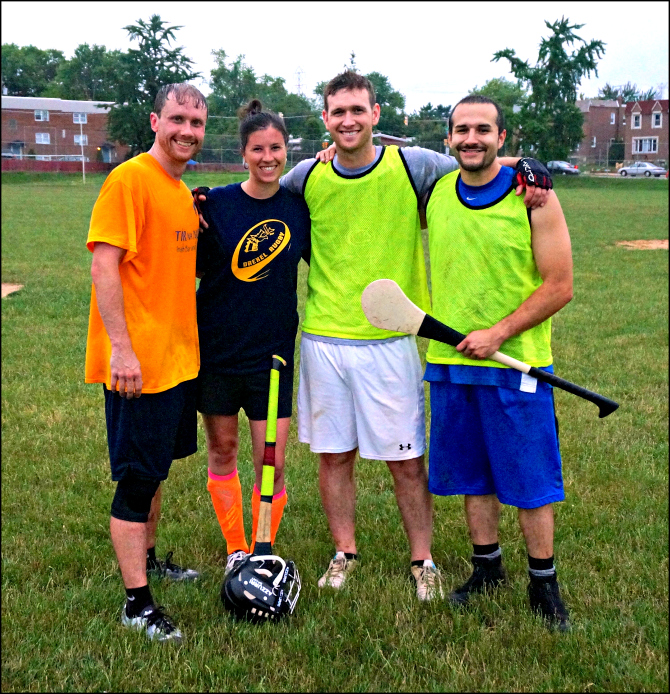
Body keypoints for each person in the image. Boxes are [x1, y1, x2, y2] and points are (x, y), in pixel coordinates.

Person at [279, 70, 553, 601]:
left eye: (358, 110)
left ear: (375, 115)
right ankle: (344, 552)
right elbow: (260, 189)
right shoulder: (304, 177)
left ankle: (422, 559)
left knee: (407, 461)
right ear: (325, 120)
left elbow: (480, 163)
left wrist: (530, 169)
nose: (348, 120)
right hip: (322, 339)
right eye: (338, 112)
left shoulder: (414, 165)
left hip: (390, 340)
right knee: (334, 456)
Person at [423, 95, 573, 630]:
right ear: (448, 139)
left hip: (517, 365)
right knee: (472, 476)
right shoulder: (438, 192)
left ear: (502, 138)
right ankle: (486, 568)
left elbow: (560, 286)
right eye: (461, 129)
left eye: (483, 129)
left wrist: (500, 334)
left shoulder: (533, 197)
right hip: (451, 361)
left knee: (530, 482)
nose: (471, 138)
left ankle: (544, 584)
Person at [85, 83, 208, 643]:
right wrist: (122, 349)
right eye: (178, 119)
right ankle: (136, 604)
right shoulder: (129, 178)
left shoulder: (179, 190)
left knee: (156, 470)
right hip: (138, 365)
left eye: (196, 123)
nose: (187, 130)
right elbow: (104, 266)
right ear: (156, 121)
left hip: (178, 361)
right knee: (137, 480)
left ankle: (151, 558)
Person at [194, 100, 313, 575]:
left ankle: (263, 546)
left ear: (287, 151)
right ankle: (236, 549)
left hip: (273, 359)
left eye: (277, 148)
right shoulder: (214, 204)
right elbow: (192, 265)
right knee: (223, 452)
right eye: (258, 148)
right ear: (243, 153)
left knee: (274, 464)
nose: (268, 157)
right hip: (219, 354)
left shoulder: (298, 208)